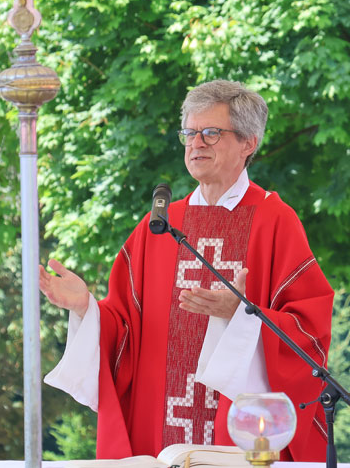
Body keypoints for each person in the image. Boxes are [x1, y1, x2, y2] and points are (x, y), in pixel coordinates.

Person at [39, 80, 334, 461]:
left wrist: (243, 316)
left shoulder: (275, 220)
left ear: (249, 143)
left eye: (211, 133)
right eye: (190, 133)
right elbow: (124, 330)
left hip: (241, 432)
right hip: (159, 433)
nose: (196, 143)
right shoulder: (158, 226)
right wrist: (86, 309)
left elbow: (308, 336)